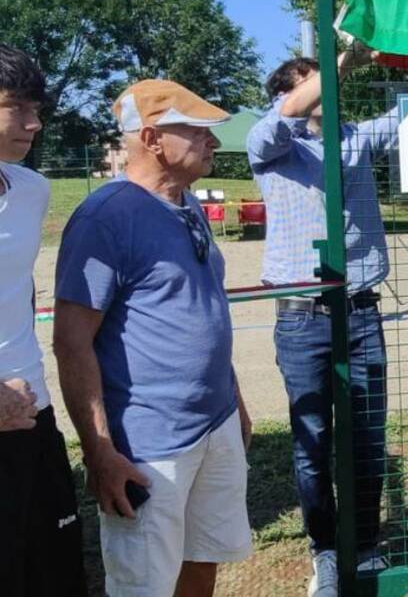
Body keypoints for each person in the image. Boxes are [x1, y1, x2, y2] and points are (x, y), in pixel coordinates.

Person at [248, 50, 408, 595]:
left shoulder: (354, 137)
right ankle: (326, 551)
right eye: (314, 82)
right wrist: (346, 60)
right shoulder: (272, 144)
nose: (327, 90)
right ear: (290, 92)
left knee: (365, 436)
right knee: (312, 441)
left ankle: (363, 545)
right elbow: (286, 116)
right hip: (301, 319)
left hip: (360, 312)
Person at [53, 79, 252, 597]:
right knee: (144, 584)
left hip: (215, 423)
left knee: (203, 555)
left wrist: (234, 401)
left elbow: (202, 311)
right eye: (198, 131)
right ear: (152, 138)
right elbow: (72, 342)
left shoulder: (185, 206)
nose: (213, 142)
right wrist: (100, 452)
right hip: (148, 443)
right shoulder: (106, 218)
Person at [0, 44, 88, 596]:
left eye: (39, 108)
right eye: (17, 106)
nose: (34, 124)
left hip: (34, 413)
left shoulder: (32, 191)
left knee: (56, 572)